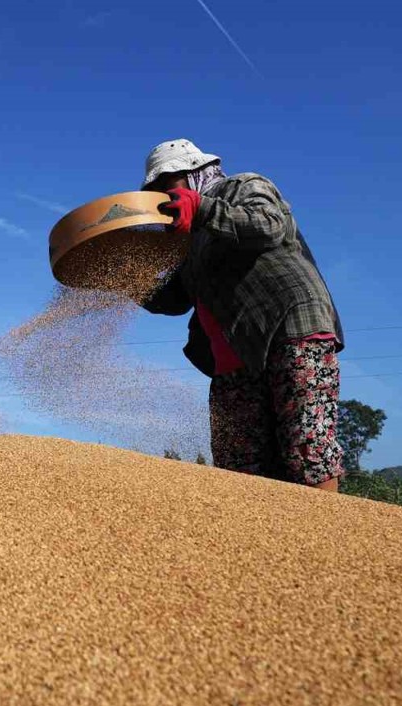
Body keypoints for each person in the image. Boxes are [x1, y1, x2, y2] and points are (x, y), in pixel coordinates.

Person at [139, 139, 345, 491]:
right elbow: (176, 299)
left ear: (193, 172)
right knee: (239, 464)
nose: (163, 196)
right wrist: (125, 285)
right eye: (155, 191)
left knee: (307, 448)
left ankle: (327, 525)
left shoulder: (243, 186)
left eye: (167, 185)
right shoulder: (191, 240)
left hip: (290, 328)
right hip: (232, 355)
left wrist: (202, 207)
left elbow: (269, 226)